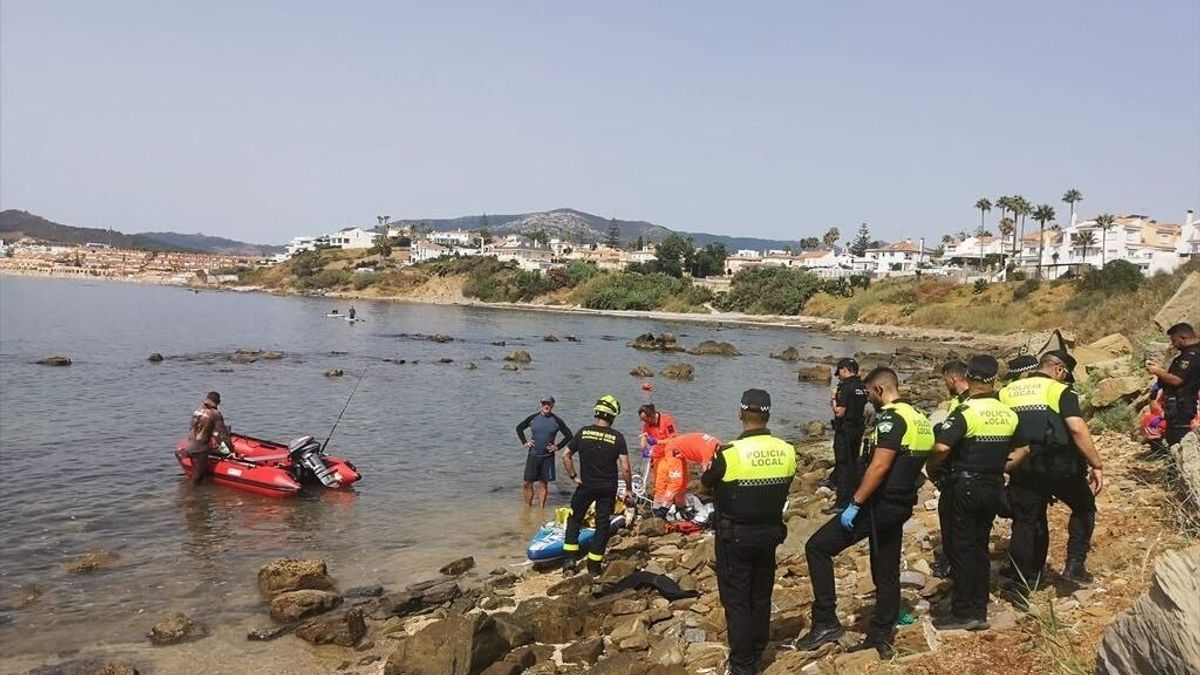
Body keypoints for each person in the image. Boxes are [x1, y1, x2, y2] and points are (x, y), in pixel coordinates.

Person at [795, 367, 934, 658]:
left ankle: (826, 621)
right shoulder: (919, 418)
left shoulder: (893, 420)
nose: (869, 399)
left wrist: (855, 503)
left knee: (817, 548)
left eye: (870, 393)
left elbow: (880, 466)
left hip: (877, 505)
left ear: (879, 390)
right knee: (886, 569)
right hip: (900, 504)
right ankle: (881, 635)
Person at [926, 355, 1029, 631]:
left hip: (964, 486)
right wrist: (1001, 467)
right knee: (979, 547)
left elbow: (941, 448)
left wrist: (932, 467)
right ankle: (978, 609)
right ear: (993, 379)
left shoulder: (966, 412)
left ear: (968, 377)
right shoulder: (1008, 413)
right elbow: (1023, 449)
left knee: (959, 547)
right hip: (993, 485)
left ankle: (963, 612)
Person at [702, 389, 797, 675]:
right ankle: (757, 651)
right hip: (769, 533)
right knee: (760, 594)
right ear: (768, 415)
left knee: (737, 599)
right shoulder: (787, 450)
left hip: (736, 536)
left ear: (740, 414)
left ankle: (743, 664)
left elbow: (706, 484)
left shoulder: (730, 453)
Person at [999, 350, 1104, 595]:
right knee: (1084, 507)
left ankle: (1024, 581)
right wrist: (1096, 464)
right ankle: (1074, 565)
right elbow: (1076, 428)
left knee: (1027, 521)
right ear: (1059, 369)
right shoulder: (1060, 390)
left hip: (1022, 465)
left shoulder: (1006, 392)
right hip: (1059, 466)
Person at [561, 395, 634, 576]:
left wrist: (573, 476)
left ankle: (570, 561)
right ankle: (594, 565)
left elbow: (565, 455)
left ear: (597, 413)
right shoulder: (617, 438)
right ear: (612, 417)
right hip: (607, 488)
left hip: (586, 485)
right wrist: (629, 489)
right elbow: (625, 468)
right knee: (602, 525)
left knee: (575, 519)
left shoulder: (583, 432)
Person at [930, 360, 970, 578]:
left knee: (951, 518)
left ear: (952, 379)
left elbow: (947, 443)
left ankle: (951, 564)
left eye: (945, 380)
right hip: (980, 469)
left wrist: (933, 466)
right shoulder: (982, 399)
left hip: (959, 469)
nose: (945, 384)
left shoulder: (963, 404)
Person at [1146, 322, 1200, 449]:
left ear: (1183, 337)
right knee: (1173, 436)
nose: (1173, 345)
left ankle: (1182, 466)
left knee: (1179, 438)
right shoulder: (1187, 354)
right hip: (1176, 404)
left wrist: (1158, 371)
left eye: (1174, 341)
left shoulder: (1191, 355)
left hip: (1182, 404)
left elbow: (1177, 380)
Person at [515, 394, 573, 507]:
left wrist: (558, 446)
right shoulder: (533, 418)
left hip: (547, 457)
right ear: (540, 405)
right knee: (527, 483)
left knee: (543, 484)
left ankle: (541, 509)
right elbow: (519, 428)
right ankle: (528, 508)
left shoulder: (557, 421)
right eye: (544, 404)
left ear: (552, 405)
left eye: (549, 404)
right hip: (533, 455)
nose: (546, 406)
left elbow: (569, 435)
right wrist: (525, 442)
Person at [827, 358, 868, 515]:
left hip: (845, 431)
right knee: (853, 462)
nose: (838, 376)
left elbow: (839, 412)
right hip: (858, 429)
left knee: (843, 465)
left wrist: (833, 399)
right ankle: (854, 494)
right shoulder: (862, 387)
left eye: (839, 372)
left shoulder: (845, 388)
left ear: (845, 370)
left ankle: (842, 503)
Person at [185, 391, 233, 486]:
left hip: (190, 446)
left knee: (197, 474)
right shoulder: (215, 414)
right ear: (218, 402)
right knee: (198, 478)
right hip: (200, 449)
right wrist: (229, 450)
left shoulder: (198, 410)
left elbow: (192, 427)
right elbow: (221, 434)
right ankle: (192, 496)